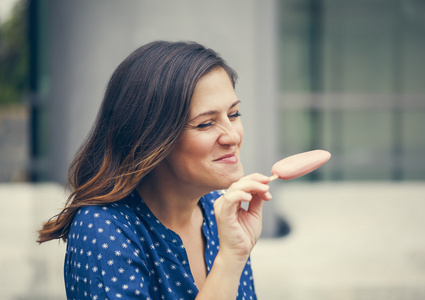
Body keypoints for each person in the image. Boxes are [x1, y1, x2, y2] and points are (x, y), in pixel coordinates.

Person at [37, 41, 272, 299]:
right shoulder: (103, 227)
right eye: (205, 124)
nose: (232, 136)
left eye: (234, 114)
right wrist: (229, 260)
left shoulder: (221, 213)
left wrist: (234, 252)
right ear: (153, 138)